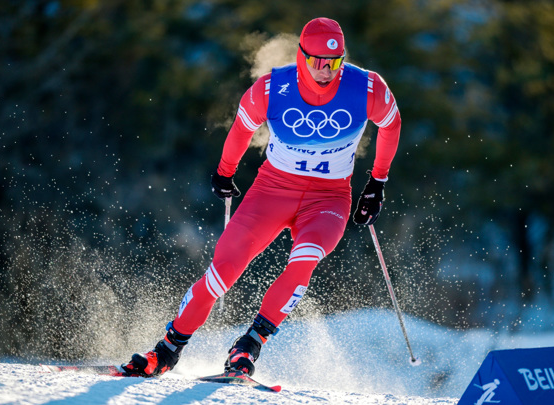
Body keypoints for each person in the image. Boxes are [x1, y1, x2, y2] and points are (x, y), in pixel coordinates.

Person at [121, 17, 401, 377]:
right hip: (272, 191)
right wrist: (224, 171)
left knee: (305, 260)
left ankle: (248, 347)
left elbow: (391, 125)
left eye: (333, 62)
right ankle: (167, 350)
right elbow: (242, 129)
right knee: (222, 271)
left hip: (328, 199)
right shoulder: (271, 88)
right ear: (302, 56)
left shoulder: (367, 88)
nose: (326, 70)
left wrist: (377, 183)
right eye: (317, 61)